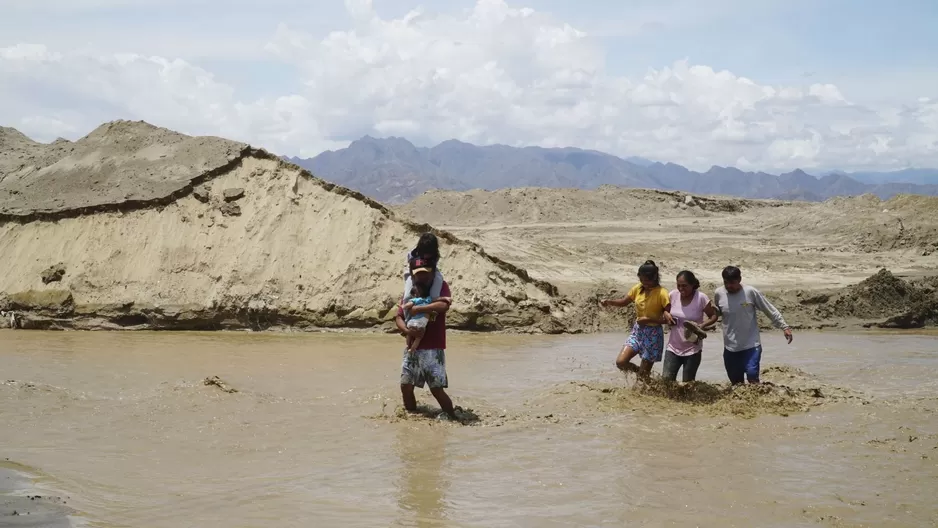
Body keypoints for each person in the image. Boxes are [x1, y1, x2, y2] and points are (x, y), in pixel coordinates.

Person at [396, 256, 458, 421]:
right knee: (405, 386)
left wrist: (419, 308)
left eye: (425, 274)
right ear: (413, 275)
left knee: (436, 389)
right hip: (412, 348)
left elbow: (444, 305)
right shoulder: (411, 289)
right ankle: (411, 417)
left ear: (432, 273)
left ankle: (452, 417)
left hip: (433, 347)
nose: (422, 277)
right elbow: (399, 317)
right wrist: (408, 331)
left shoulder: (441, 287)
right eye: (418, 274)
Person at [713, 265, 793, 385]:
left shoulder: (750, 292)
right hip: (730, 346)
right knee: (736, 383)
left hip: (751, 345)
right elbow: (717, 313)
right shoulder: (719, 293)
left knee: (752, 377)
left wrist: (784, 326)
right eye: (726, 283)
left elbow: (769, 309)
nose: (729, 286)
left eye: (732, 283)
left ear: (739, 280)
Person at [600, 260, 675, 380]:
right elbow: (624, 302)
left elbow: (669, 319)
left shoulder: (662, 293)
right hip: (638, 331)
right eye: (641, 280)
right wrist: (609, 302)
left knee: (642, 379)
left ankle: (645, 378)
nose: (644, 283)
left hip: (653, 334)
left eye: (647, 280)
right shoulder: (638, 288)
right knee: (621, 362)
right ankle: (642, 374)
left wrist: (649, 319)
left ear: (655, 277)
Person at [662, 270, 718, 383]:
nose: (681, 289)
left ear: (693, 285)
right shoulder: (672, 295)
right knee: (666, 381)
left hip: (692, 349)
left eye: (684, 286)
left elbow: (713, 316)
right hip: (673, 347)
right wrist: (666, 314)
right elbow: (664, 310)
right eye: (679, 285)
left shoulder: (701, 298)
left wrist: (702, 325)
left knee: (688, 384)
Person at [402, 281, 452, 353]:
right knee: (419, 337)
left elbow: (407, 306)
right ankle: (412, 349)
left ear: (415, 294)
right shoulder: (427, 299)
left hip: (413, 322)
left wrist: (404, 307)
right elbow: (436, 299)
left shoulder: (415, 300)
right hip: (422, 323)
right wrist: (445, 298)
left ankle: (408, 345)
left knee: (409, 334)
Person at [403, 233, 444, 301]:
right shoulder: (412, 255)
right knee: (407, 296)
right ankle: (406, 309)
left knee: (438, 278)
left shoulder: (435, 256)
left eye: (429, 253)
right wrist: (414, 280)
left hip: (430, 269)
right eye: (424, 252)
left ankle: (434, 297)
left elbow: (433, 268)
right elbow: (411, 268)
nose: (426, 256)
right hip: (413, 270)